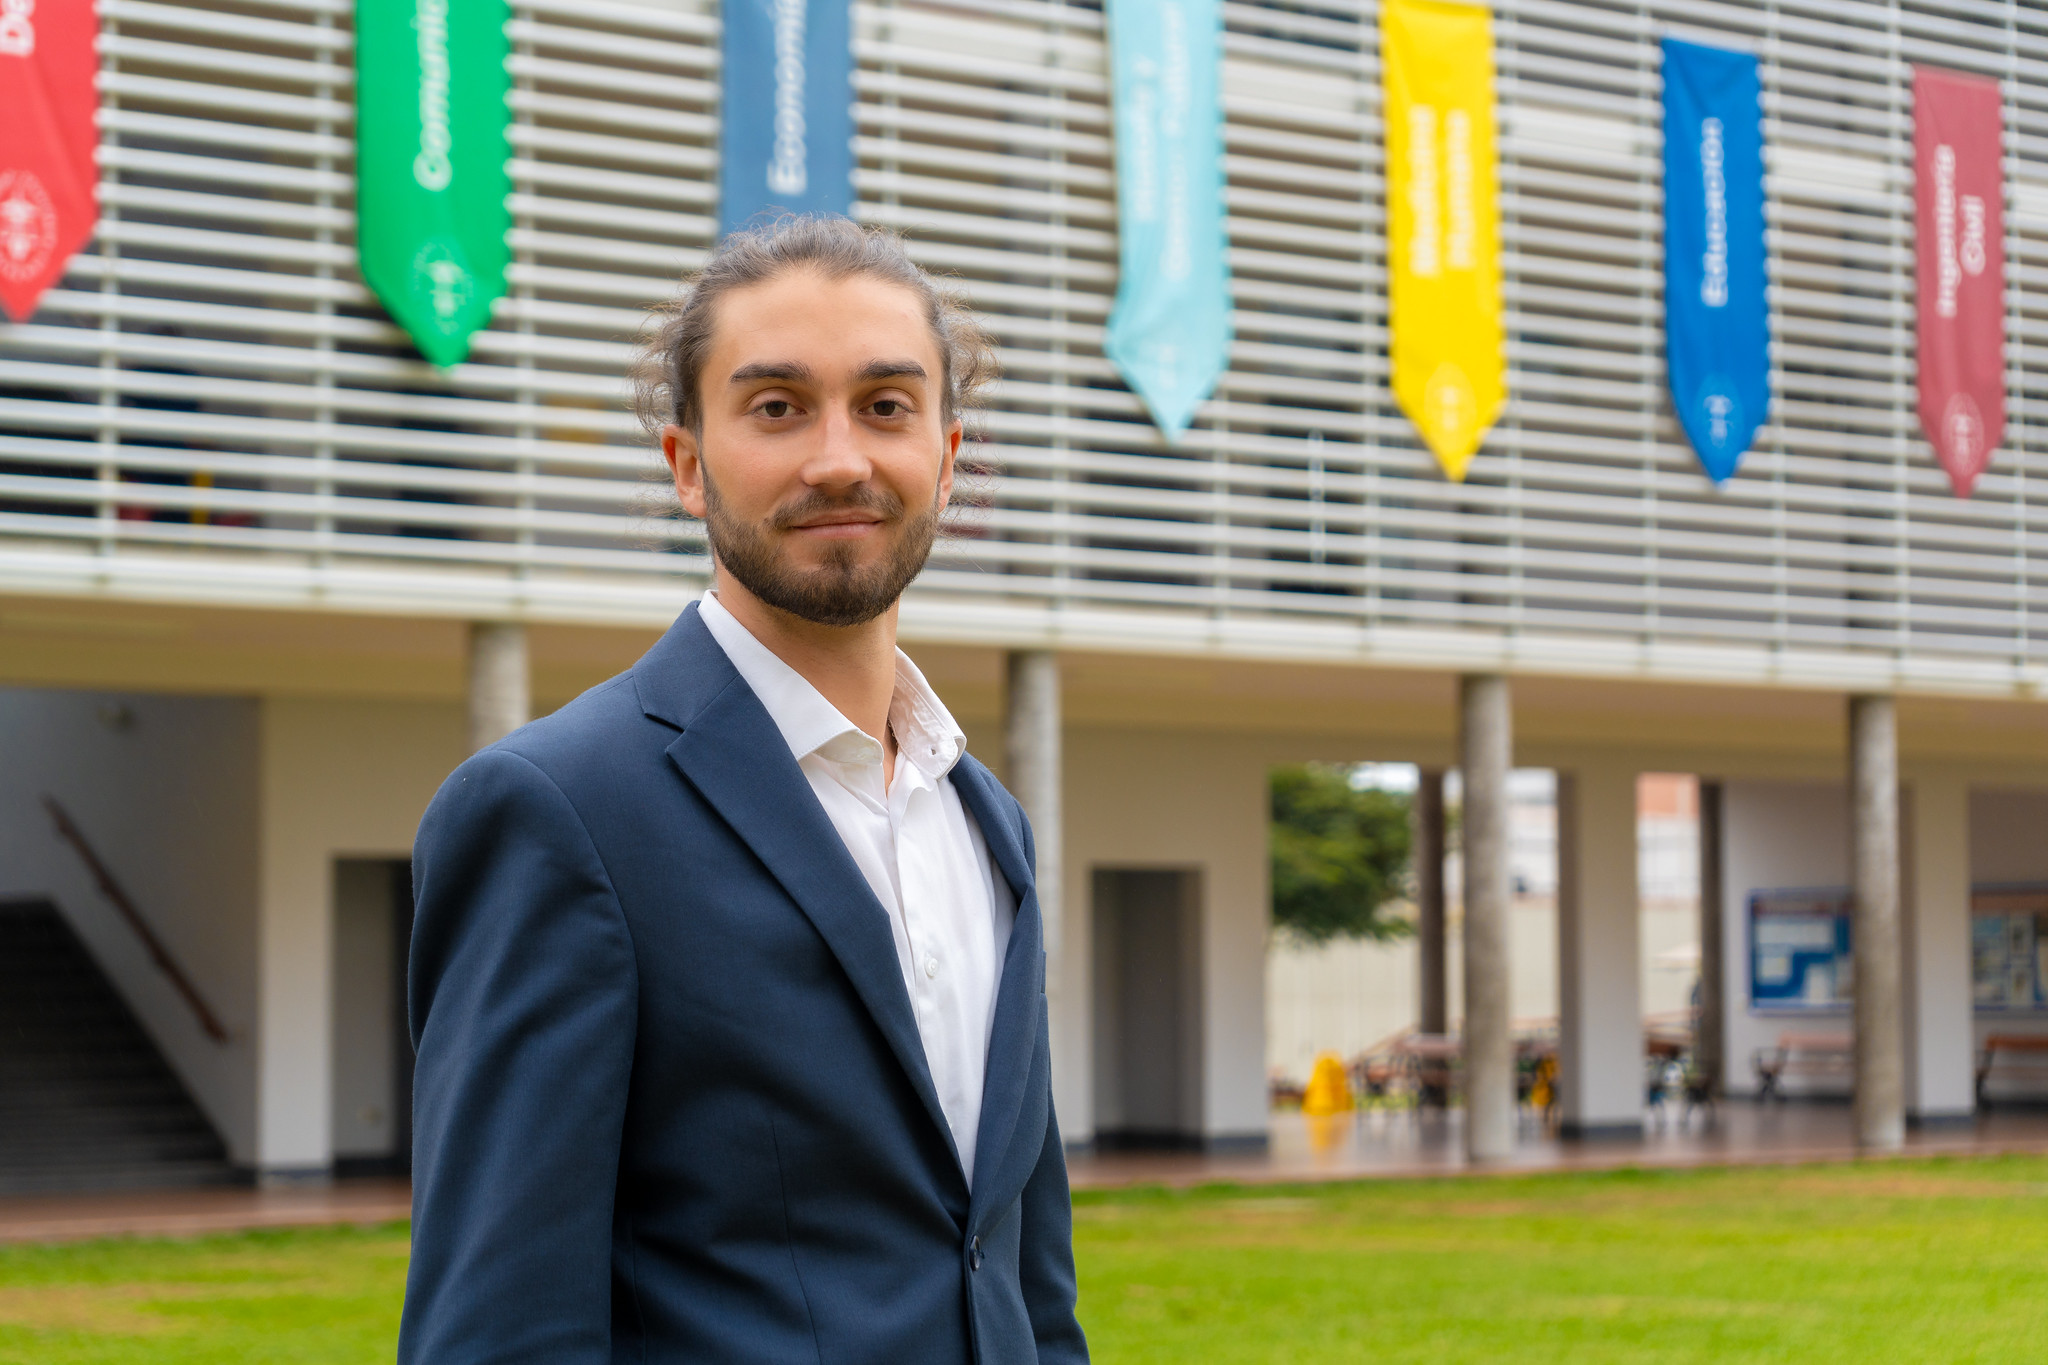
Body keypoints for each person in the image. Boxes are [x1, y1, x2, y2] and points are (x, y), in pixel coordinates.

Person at [399, 216, 1088, 1365]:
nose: (838, 459)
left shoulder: (984, 819)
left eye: (885, 405)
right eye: (776, 408)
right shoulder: (556, 810)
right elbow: (498, 1326)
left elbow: (1021, 1272)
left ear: (947, 458)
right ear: (687, 465)